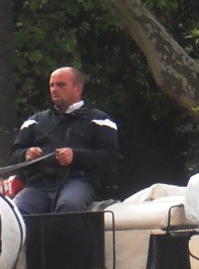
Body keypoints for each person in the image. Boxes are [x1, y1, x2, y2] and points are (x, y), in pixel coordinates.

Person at [10, 66, 119, 214]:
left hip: (79, 183)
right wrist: (26, 155)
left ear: (78, 88)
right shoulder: (34, 122)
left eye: (61, 85)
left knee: (69, 206)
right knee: (15, 211)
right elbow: (14, 156)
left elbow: (109, 158)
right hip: (38, 186)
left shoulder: (100, 120)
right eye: (51, 85)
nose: (54, 89)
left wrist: (75, 156)